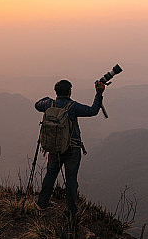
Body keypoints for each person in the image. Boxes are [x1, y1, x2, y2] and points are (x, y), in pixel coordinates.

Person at [34, 79, 105, 220]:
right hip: (72, 148)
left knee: (50, 175)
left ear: (56, 92)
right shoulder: (73, 107)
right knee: (71, 179)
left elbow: (37, 105)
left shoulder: (49, 104)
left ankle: (42, 203)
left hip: (55, 147)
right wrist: (99, 93)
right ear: (69, 91)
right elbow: (93, 111)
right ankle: (72, 210)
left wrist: (48, 99)